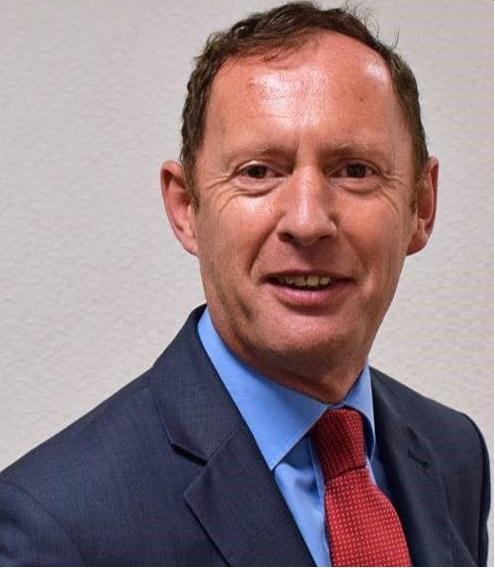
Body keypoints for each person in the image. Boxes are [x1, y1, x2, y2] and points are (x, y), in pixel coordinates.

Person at [0, 2, 489, 566]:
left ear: (421, 205)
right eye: (258, 172)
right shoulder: (52, 528)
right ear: (186, 208)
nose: (307, 221)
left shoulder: (455, 455)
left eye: (354, 170)